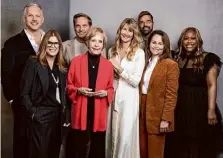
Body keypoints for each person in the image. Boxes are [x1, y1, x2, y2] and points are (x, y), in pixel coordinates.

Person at [165, 27, 223, 158]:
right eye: (186, 38)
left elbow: (211, 85)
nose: (189, 41)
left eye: (192, 38)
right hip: (180, 107)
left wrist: (211, 110)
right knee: (181, 145)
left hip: (199, 107)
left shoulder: (208, 58)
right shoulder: (176, 58)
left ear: (198, 41)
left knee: (198, 144)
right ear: (181, 41)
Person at [1, 2, 44, 158]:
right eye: (30, 15)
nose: (34, 19)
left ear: (43, 19)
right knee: (22, 144)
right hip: (23, 103)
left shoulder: (50, 41)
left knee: (44, 145)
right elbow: (6, 73)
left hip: (48, 104)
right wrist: (13, 99)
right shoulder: (12, 43)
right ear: (23, 19)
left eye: (37, 15)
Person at [66, 26, 114, 158]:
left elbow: (111, 88)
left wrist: (106, 93)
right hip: (81, 109)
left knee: (97, 147)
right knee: (78, 147)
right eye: (93, 40)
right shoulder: (76, 62)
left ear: (103, 44)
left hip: (98, 110)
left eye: (100, 41)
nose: (96, 45)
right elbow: (68, 86)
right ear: (87, 42)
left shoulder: (108, 65)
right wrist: (78, 90)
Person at [20, 30, 68, 158]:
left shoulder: (62, 67)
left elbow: (64, 94)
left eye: (56, 43)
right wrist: (34, 113)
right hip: (41, 114)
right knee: (39, 154)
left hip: (58, 116)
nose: (53, 46)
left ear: (59, 46)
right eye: (50, 43)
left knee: (54, 152)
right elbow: (24, 93)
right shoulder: (33, 63)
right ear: (44, 44)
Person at [106, 18, 145, 158]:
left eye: (130, 30)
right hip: (112, 97)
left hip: (129, 99)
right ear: (119, 30)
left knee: (125, 137)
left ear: (134, 33)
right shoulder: (112, 51)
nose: (126, 33)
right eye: (124, 29)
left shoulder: (139, 53)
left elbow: (135, 81)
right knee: (112, 134)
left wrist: (118, 67)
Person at [139, 30, 179, 158]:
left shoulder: (170, 65)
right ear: (149, 44)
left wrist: (166, 119)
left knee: (155, 154)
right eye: (154, 42)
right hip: (142, 112)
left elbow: (172, 94)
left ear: (165, 46)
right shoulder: (146, 62)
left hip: (158, 114)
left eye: (160, 43)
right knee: (142, 152)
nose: (156, 46)